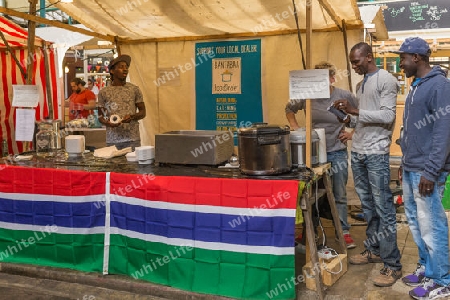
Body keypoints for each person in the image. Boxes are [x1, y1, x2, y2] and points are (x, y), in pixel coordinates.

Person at [333, 42, 402, 287]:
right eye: (352, 62)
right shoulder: (361, 85)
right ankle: (373, 249)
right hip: (359, 151)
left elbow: (387, 116)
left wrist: (355, 110)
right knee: (368, 206)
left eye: (356, 61)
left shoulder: (387, 80)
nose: (354, 66)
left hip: (376, 154)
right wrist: (346, 116)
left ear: (369, 57)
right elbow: (362, 121)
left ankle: (392, 265)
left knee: (384, 208)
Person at [392, 37, 450, 299]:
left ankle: (442, 281)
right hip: (411, 166)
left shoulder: (439, 86)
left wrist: (431, 170)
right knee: (416, 223)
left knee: (432, 225)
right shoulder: (416, 85)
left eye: (403, 58)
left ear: (416, 58)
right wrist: (404, 164)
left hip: (427, 171)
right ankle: (428, 268)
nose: (400, 63)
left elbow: (443, 133)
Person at [285, 61, 358, 249]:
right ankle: (311, 232)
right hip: (314, 154)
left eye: (323, 80)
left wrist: (351, 134)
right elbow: (289, 109)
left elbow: (361, 116)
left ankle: (344, 231)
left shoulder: (344, 96)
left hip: (337, 152)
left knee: (339, 194)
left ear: (332, 78)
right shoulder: (307, 95)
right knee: (313, 194)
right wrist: (295, 127)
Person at [97, 54, 146, 150]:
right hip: (112, 140)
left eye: (126, 67)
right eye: (121, 67)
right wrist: (108, 123)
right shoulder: (104, 92)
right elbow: (100, 116)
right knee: (114, 165)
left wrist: (132, 117)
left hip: (132, 139)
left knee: (132, 164)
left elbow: (143, 112)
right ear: (112, 71)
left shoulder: (134, 89)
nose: (125, 69)